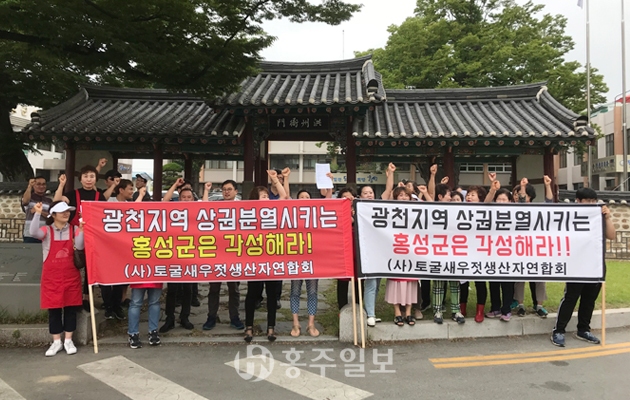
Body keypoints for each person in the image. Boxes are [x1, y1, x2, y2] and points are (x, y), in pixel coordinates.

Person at [551, 187, 615, 347]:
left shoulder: (598, 216)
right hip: (577, 265)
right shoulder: (570, 216)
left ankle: (583, 329)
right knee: (570, 298)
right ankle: (559, 330)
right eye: (588, 201)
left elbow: (611, 235)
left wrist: (607, 218)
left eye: (593, 201)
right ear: (578, 201)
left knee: (589, 300)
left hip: (596, 265)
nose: (591, 204)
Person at [54, 166, 113, 311]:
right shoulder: (72, 194)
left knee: (90, 268)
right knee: (73, 266)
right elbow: (56, 203)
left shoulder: (100, 196)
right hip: (74, 235)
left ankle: (87, 297)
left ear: (96, 179)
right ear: (80, 179)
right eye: (85, 176)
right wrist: (61, 185)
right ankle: (72, 297)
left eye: (92, 176)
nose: (88, 179)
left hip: (94, 236)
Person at [30, 201, 83, 356]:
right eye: (62, 211)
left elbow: (80, 246)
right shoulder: (46, 230)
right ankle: (56, 341)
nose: (66, 214)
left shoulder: (74, 229)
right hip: (51, 277)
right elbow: (33, 233)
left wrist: (82, 229)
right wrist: (37, 213)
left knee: (70, 308)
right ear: (53, 215)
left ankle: (68, 340)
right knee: (54, 309)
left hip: (71, 276)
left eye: (68, 211)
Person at [243, 171, 289, 342]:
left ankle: (271, 328)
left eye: (268, 196)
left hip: (272, 258)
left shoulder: (273, 210)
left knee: (272, 294)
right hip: (255, 259)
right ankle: (249, 328)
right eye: (264, 196)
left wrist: (275, 179)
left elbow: (284, 196)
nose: (267, 199)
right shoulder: (248, 212)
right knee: (252, 294)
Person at [203, 179, 244, 331]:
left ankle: (235, 317)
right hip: (217, 254)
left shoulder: (243, 207)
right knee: (214, 288)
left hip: (234, 254)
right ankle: (211, 317)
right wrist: (206, 190)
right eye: (224, 189)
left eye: (229, 189)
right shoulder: (217, 205)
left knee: (234, 289)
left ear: (236, 191)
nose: (226, 192)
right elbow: (203, 209)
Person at [160, 178, 196, 332]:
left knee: (188, 288)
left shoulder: (198, 211)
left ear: (193, 199)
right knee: (173, 288)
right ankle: (169, 318)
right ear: (179, 198)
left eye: (189, 197)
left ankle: (185, 316)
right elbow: (164, 202)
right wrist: (175, 185)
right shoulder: (173, 210)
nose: (186, 200)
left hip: (191, 254)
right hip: (174, 254)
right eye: (183, 197)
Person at [513, 177, 549, 318]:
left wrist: (548, 186)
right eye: (516, 195)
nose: (519, 197)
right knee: (519, 278)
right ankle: (520, 305)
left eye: (522, 194)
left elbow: (550, 202)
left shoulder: (538, 209)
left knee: (539, 278)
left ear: (531, 197)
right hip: (520, 248)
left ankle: (539, 305)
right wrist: (522, 187)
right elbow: (522, 203)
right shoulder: (516, 209)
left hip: (536, 249)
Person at [386, 187, 418, 326]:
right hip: (396, 249)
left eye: (406, 195)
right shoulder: (390, 210)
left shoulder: (416, 211)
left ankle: (409, 312)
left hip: (412, 250)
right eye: (400, 195)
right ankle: (397, 312)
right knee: (396, 281)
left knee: (411, 281)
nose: (404, 197)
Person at [290, 189, 320, 337]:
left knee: (312, 292)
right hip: (296, 259)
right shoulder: (291, 215)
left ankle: (311, 323)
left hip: (313, 260)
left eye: (307, 197)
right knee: (295, 291)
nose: (304, 199)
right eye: (301, 197)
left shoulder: (316, 216)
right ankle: (295, 323)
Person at [485, 181, 515, 322]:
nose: (501, 202)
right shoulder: (490, 212)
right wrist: (492, 190)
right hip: (493, 252)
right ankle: (495, 308)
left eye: (504, 199)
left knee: (508, 284)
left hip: (509, 253)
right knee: (494, 282)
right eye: (499, 199)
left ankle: (506, 309)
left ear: (510, 201)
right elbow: (484, 204)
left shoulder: (516, 214)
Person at [460, 185, 488, 322]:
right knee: (463, 281)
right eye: (468, 195)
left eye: (473, 195)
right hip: (464, 250)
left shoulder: (484, 210)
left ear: (480, 198)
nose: (469, 197)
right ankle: (462, 308)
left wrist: (493, 189)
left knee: (480, 282)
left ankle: (480, 311)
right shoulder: (460, 210)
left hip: (480, 251)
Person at [22, 176, 53, 243]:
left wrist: (39, 211)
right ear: (34, 185)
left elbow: (51, 216)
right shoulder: (29, 198)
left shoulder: (49, 201)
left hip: (44, 233)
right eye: (38, 184)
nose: (41, 186)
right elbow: (25, 201)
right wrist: (29, 186)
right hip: (29, 234)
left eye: (43, 184)